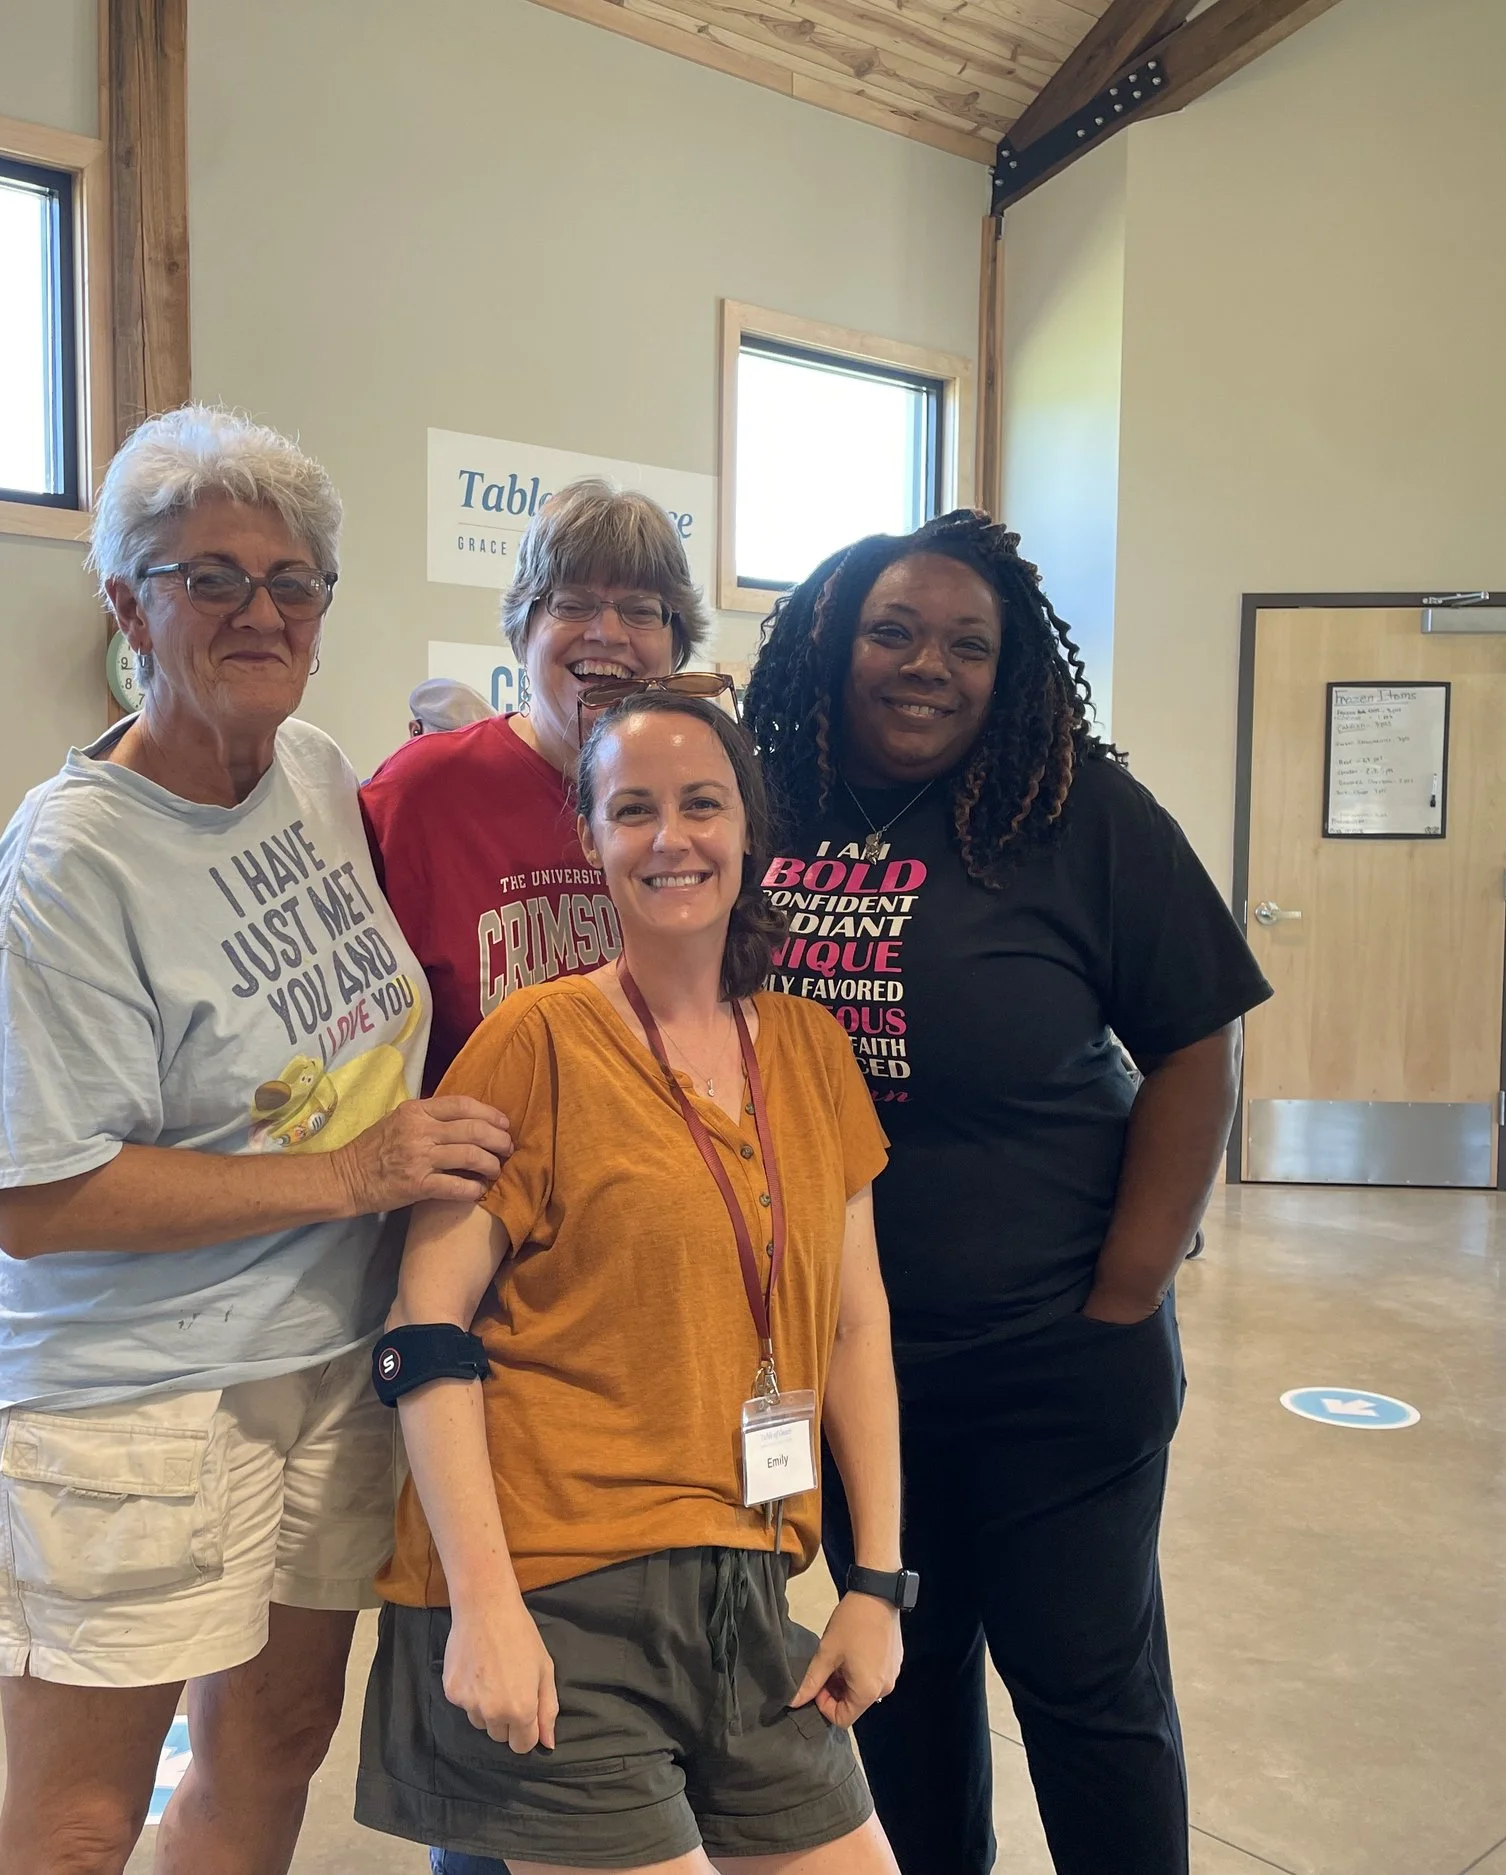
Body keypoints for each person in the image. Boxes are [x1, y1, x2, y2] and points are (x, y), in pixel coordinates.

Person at [0, 404, 514, 1875]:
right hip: (129, 1400)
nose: (259, 612)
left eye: (291, 582)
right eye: (209, 577)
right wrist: (354, 1173)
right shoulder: (72, 859)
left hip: (326, 1359)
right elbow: (37, 1197)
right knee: (81, 1818)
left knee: (271, 1747)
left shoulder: (313, 772)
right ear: (127, 604)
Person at [742, 511, 1271, 1875]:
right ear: (833, 645)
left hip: (1051, 1360)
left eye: (968, 644)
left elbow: (1197, 1042)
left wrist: (1127, 1289)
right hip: (852, 1369)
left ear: (1011, 666)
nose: (928, 665)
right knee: (897, 1688)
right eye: (894, 632)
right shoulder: (772, 799)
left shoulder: (1077, 812)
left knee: (1086, 1699)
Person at [354, 691, 913, 1874]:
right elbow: (425, 1329)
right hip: (554, 1590)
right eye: (633, 811)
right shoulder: (535, 1039)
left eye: (701, 804)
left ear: (748, 827)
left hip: (747, 1591)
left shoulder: (813, 1052)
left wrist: (875, 1583)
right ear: (591, 839)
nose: (671, 839)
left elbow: (855, 1328)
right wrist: (484, 1608)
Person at [362, 478, 717, 1086]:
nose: (608, 633)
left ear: (675, 646)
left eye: (641, 609)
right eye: (573, 604)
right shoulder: (422, 794)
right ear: (523, 629)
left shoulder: (706, 807)